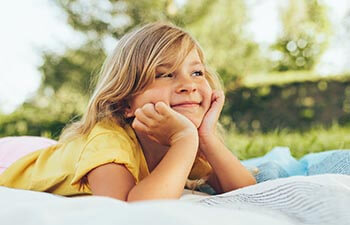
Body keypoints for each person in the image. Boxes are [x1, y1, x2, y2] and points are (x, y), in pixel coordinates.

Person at [0, 22, 256, 201]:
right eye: (165, 74)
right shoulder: (109, 142)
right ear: (125, 103)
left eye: (197, 72)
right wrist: (185, 141)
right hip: (12, 166)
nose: (189, 85)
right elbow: (128, 210)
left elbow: (246, 191)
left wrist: (205, 136)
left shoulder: (181, 139)